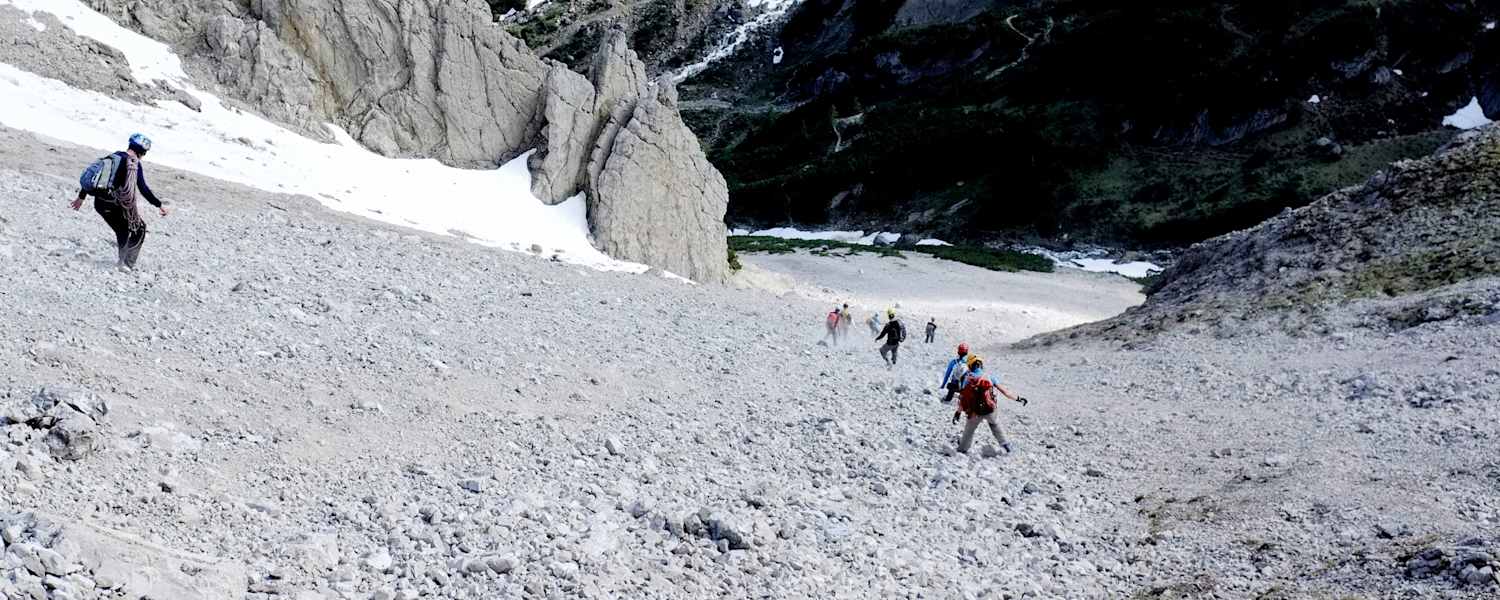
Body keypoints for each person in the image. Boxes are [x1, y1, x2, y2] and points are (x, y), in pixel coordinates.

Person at [71, 133, 167, 270]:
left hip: (99, 203)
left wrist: (81, 197)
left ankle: (121, 261)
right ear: (141, 151)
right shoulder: (133, 164)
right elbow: (143, 188)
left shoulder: (113, 156)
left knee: (122, 230)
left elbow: (96, 177)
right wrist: (159, 205)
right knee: (139, 228)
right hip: (113, 203)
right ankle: (127, 263)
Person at [951, 356, 1028, 454]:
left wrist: (958, 413)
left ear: (970, 365)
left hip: (975, 412)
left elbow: (963, 398)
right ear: (981, 365)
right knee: (994, 424)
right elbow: (1005, 392)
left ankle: (963, 449)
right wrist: (1018, 399)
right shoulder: (990, 377)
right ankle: (1006, 445)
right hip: (990, 410)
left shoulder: (967, 379)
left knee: (969, 430)